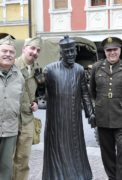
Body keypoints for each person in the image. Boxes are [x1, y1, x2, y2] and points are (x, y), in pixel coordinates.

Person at [42, 35, 95, 180]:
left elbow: (85, 93)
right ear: (61, 53)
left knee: (76, 149)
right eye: (67, 52)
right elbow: (39, 91)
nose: (71, 54)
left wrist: (90, 113)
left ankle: (78, 175)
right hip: (56, 121)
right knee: (58, 150)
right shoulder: (50, 70)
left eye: (73, 51)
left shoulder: (79, 70)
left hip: (73, 119)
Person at [90, 37, 122, 180]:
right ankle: (112, 177)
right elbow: (92, 91)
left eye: (115, 49)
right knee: (107, 152)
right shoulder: (97, 67)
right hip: (103, 116)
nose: (112, 53)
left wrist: (121, 104)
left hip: (121, 117)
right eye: (108, 50)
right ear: (104, 51)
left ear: (119, 50)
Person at [13, 37, 42, 180]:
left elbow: (32, 91)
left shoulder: (36, 69)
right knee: (8, 158)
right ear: (24, 48)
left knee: (23, 158)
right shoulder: (11, 65)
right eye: (32, 48)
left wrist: (35, 102)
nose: (34, 52)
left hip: (27, 119)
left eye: (38, 50)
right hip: (11, 119)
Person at [0, 35, 24, 180]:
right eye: (4, 51)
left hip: (10, 130)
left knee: (6, 168)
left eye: (11, 52)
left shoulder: (19, 76)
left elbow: (21, 101)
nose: (8, 55)